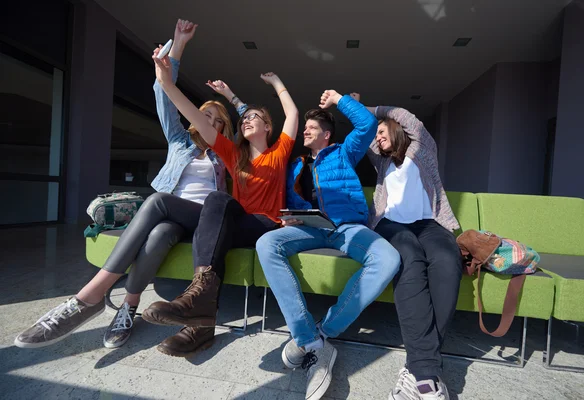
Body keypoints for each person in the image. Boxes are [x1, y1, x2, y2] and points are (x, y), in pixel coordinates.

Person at [14, 19, 238, 349]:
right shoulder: (178, 140)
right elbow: (164, 92)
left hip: (202, 220)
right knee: (159, 234)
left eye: (217, 122)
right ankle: (128, 309)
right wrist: (178, 45)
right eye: (205, 117)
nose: (211, 124)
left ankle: (88, 297)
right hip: (171, 220)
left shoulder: (225, 155)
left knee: (158, 201)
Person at [142, 41, 299, 357]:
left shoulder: (280, 151)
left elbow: (292, 112)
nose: (246, 120)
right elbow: (196, 119)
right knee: (216, 200)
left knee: (217, 217)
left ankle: (199, 320)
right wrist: (167, 84)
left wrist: (276, 83)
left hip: (266, 224)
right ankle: (200, 309)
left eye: (253, 117)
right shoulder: (233, 154)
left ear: (267, 126)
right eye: (244, 119)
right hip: (240, 221)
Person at [255, 91, 401, 400]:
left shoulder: (343, 153)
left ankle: (321, 334)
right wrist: (288, 219)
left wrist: (338, 98)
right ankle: (307, 337)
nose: (304, 131)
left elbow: (367, 123)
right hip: (309, 228)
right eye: (304, 127)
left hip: (347, 228)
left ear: (326, 134)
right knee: (267, 243)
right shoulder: (294, 166)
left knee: (387, 258)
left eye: (310, 127)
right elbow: (284, 201)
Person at [359, 93, 462, 400]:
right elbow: (363, 131)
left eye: (382, 130)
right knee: (408, 256)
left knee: (447, 258)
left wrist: (372, 108)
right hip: (391, 225)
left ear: (397, 130)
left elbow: (409, 117)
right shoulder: (380, 162)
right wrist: (352, 109)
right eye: (376, 133)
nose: (378, 136)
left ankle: (416, 367)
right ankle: (427, 375)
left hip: (429, 224)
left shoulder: (422, 151)